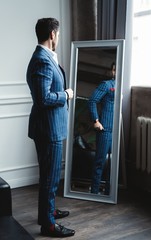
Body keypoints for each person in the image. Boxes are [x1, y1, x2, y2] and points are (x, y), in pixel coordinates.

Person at [26, 18, 75, 238]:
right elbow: (42, 98)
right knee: (50, 177)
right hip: (48, 129)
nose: (59, 37)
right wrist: (66, 94)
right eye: (59, 34)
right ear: (52, 34)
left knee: (49, 175)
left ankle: (47, 212)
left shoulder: (45, 58)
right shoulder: (42, 60)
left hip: (49, 127)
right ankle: (49, 225)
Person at [88, 63, 116, 194]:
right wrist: (96, 120)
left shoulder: (122, 87)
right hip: (104, 130)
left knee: (113, 164)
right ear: (112, 71)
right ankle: (94, 191)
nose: (116, 71)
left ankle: (109, 193)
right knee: (100, 161)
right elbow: (92, 100)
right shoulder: (106, 85)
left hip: (117, 130)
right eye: (114, 69)